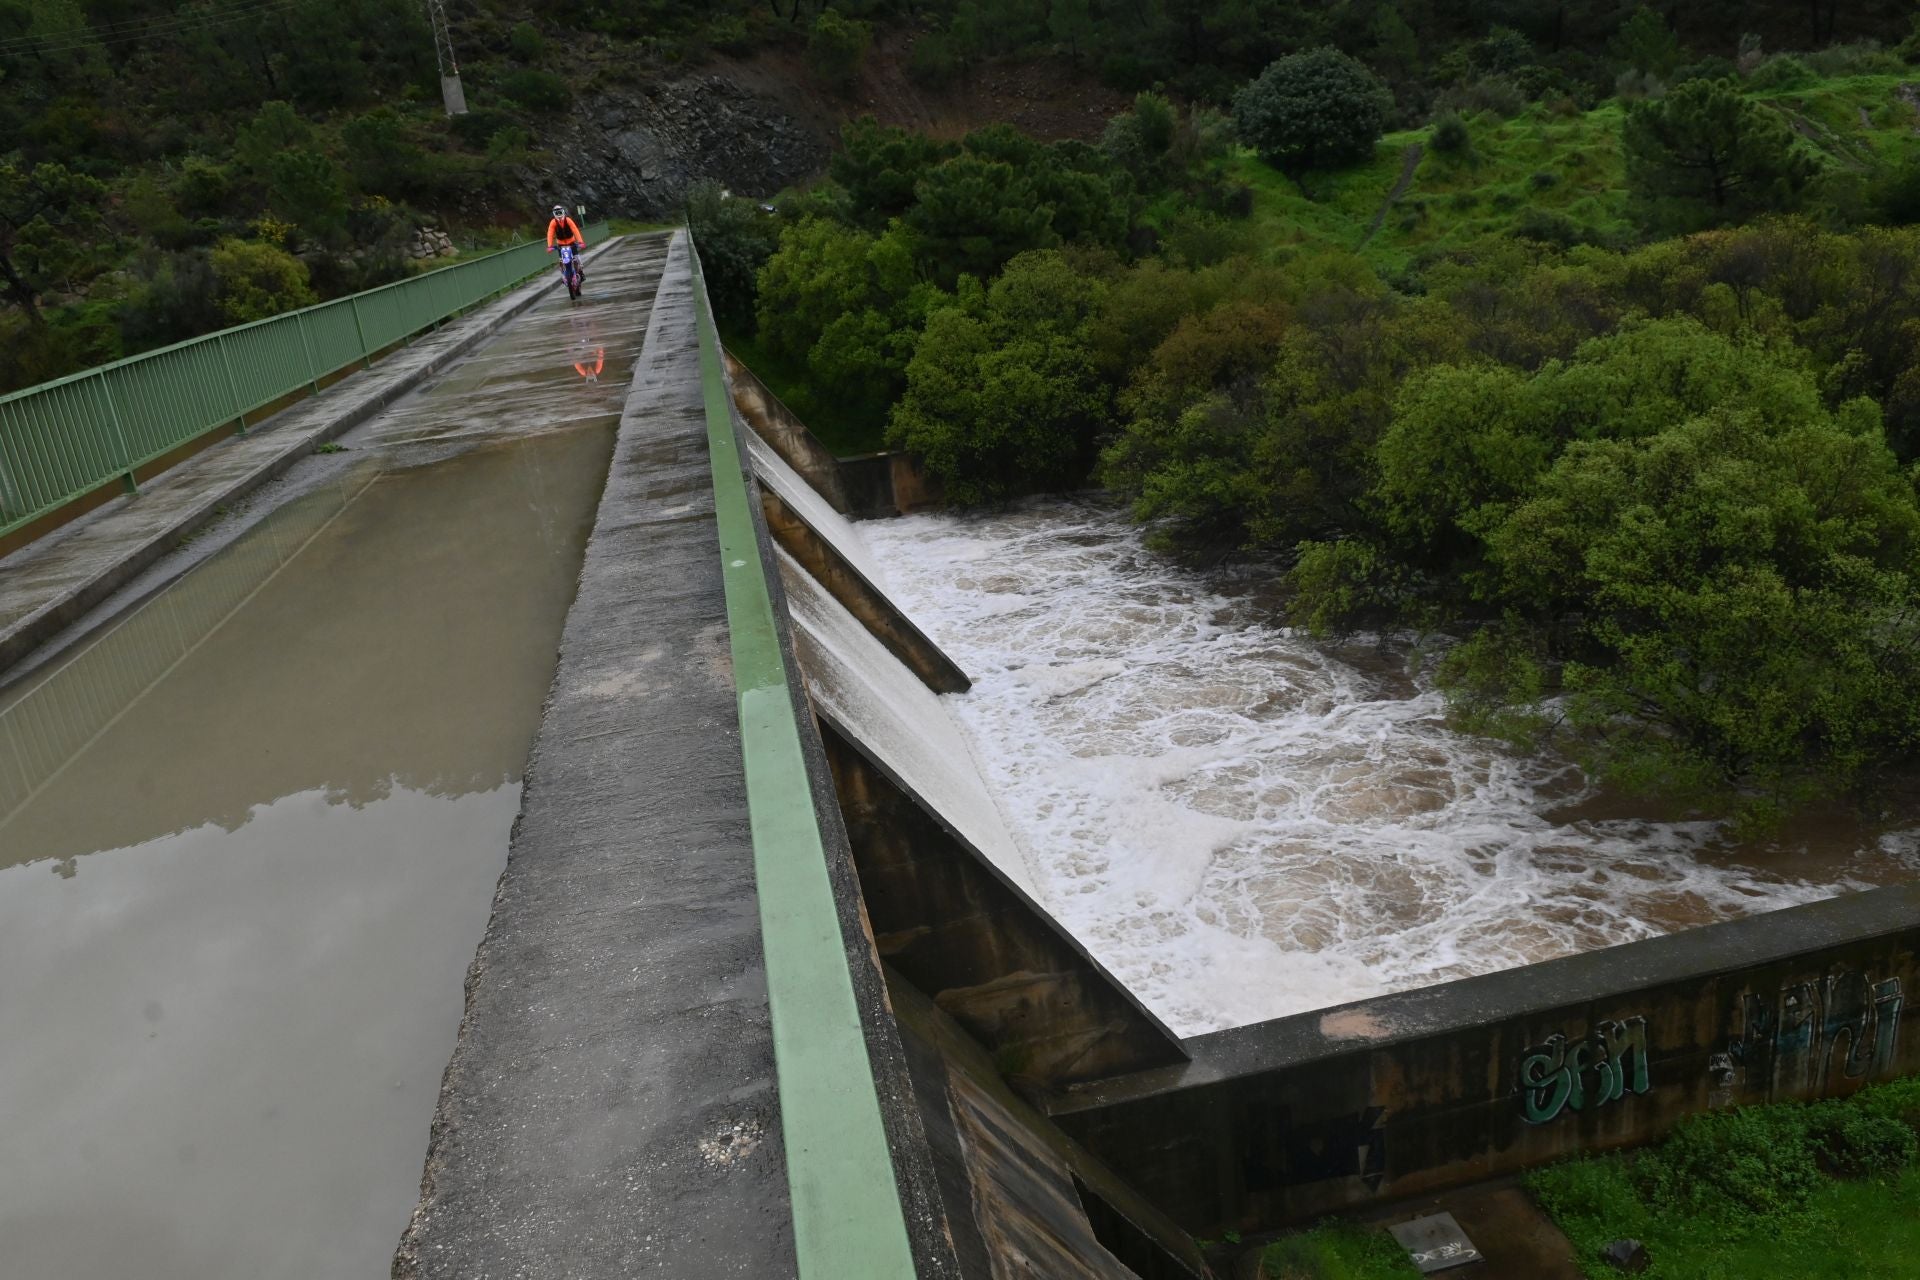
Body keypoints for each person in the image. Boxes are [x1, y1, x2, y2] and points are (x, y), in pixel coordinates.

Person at [546, 205, 585, 285]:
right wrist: (550, 246)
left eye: (560, 211)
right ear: (554, 213)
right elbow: (550, 233)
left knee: (577, 258)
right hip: (561, 245)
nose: (558, 213)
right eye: (556, 212)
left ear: (563, 211)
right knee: (561, 260)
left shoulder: (568, 220)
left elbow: (575, 230)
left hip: (571, 243)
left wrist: (580, 242)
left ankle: (580, 272)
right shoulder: (553, 222)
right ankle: (564, 275)